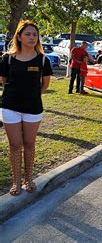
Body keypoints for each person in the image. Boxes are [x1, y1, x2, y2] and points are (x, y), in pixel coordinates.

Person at [0, 21, 52, 196]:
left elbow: (44, 85)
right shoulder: (7, 58)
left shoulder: (43, 59)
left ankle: (28, 179)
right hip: (10, 107)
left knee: (29, 143)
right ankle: (15, 182)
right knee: (15, 145)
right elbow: (4, 80)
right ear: (19, 37)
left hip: (33, 107)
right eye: (28, 34)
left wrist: (31, 95)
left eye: (35, 34)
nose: (32, 37)